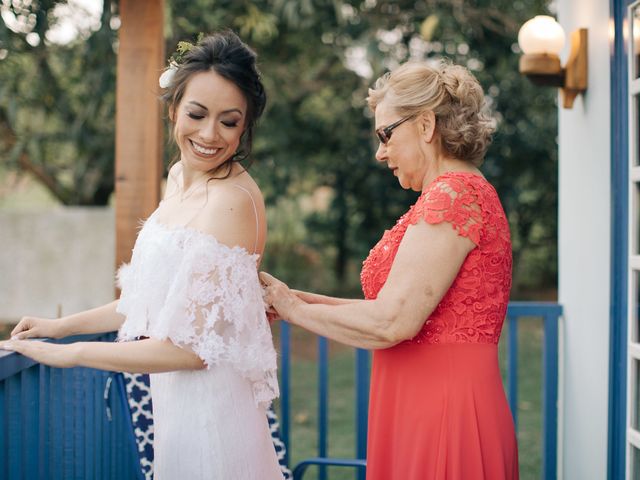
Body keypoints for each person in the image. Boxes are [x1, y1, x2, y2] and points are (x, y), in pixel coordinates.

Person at [1, 31, 284, 480]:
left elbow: (193, 350)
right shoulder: (178, 177)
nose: (210, 134)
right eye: (196, 114)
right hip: (175, 413)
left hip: (213, 417)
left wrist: (73, 354)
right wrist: (61, 327)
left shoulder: (232, 201)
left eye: (229, 122)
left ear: (245, 126)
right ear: (174, 109)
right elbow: (149, 300)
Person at [261, 59, 519, 479]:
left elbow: (393, 321)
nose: (380, 153)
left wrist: (294, 309)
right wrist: (292, 298)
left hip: (444, 411)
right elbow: (390, 307)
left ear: (424, 126)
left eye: (385, 134)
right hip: (420, 401)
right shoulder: (447, 194)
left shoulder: (454, 195)